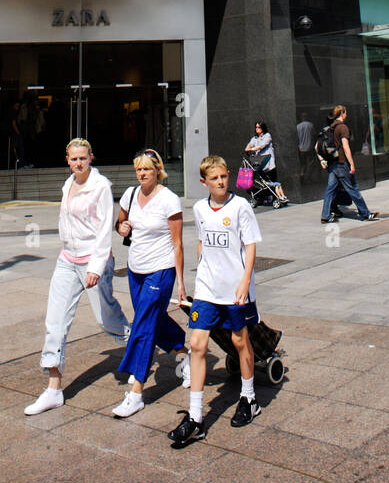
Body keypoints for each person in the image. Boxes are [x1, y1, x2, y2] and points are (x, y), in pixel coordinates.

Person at [25, 138, 129, 414]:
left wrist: (95, 268)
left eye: (83, 158)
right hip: (67, 260)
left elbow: (105, 228)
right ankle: (53, 389)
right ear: (67, 160)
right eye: (73, 159)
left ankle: (137, 352)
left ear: (91, 158)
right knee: (55, 322)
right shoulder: (68, 184)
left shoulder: (101, 187)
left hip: (93, 261)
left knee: (106, 319)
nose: (78, 163)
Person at [169, 154, 262, 448]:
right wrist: (195, 271)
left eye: (224, 176)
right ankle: (195, 417)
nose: (221, 182)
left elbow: (250, 246)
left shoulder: (241, 207)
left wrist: (246, 281)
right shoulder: (198, 208)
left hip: (235, 288)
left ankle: (249, 397)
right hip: (208, 288)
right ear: (204, 182)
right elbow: (201, 239)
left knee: (239, 342)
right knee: (197, 344)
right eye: (215, 178)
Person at [112, 149, 188, 418]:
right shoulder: (131, 194)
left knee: (143, 325)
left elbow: (178, 243)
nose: (142, 174)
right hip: (136, 269)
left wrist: (180, 283)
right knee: (152, 317)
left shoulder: (169, 199)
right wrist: (121, 227)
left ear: (158, 170)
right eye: (138, 170)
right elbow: (120, 222)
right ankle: (183, 351)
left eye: (146, 169)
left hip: (161, 269)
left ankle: (136, 392)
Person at [318, 106, 380, 224]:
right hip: (341, 163)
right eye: (346, 112)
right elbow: (346, 147)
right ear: (342, 113)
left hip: (332, 164)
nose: (347, 115)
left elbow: (318, 146)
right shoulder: (343, 127)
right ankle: (365, 214)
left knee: (330, 190)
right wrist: (352, 164)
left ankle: (325, 216)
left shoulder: (331, 127)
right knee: (352, 189)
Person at [244, 121, 288, 202]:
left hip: (268, 164)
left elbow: (261, 146)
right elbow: (250, 144)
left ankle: (280, 197)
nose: (257, 129)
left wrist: (251, 149)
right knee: (264, 183)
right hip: (259, 165)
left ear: (263, 128)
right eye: (256, 127)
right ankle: (267, 198)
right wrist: (247, 148)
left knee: (272, 181)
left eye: (259, 127)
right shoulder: (254, 138)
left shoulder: (267, 136)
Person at [296, 110, 317, 182]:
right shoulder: (310, 125)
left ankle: (302, 174)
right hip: (310, 148)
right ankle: (308, 177)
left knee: (303, 163)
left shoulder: (298, 126)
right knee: (310, 163)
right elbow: (314, 135)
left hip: (301, 148)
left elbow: (297, 138)